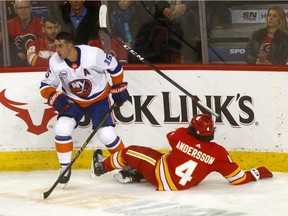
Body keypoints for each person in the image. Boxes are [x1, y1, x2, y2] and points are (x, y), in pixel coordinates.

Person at [39, 32, 130, 187]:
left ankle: (128, 164)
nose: (57, 50)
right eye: (55, 46)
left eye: (60, 46)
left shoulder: (93, 54)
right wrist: (54, 96)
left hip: (99, 99)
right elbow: (45, 86)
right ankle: (64, 168)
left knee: (107, 135)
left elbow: (115, 67)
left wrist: (118, 87)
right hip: (73, 101)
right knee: (62, 128)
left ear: (70, 45)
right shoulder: (55, 61)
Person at [91, 114, 273, 190]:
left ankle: (101, 167)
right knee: (159, 156)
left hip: (162, 175)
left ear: (192, 130)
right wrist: (257, 173)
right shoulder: (219, 153)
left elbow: (171, 134)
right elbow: (237, 179)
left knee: (130, 152)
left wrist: (190, 129)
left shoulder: (180, 136)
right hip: (183, 184)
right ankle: (135, 175)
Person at [7, 0, 44, 66]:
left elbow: (43, 44)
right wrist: (17, 52)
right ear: (15, 10)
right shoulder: (9, 25)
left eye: (26, 7)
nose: (23, 10)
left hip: (36, 59)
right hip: (16, 61)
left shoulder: (40, 24)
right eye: (20, 8)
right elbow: (6, 45)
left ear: (30, 9)